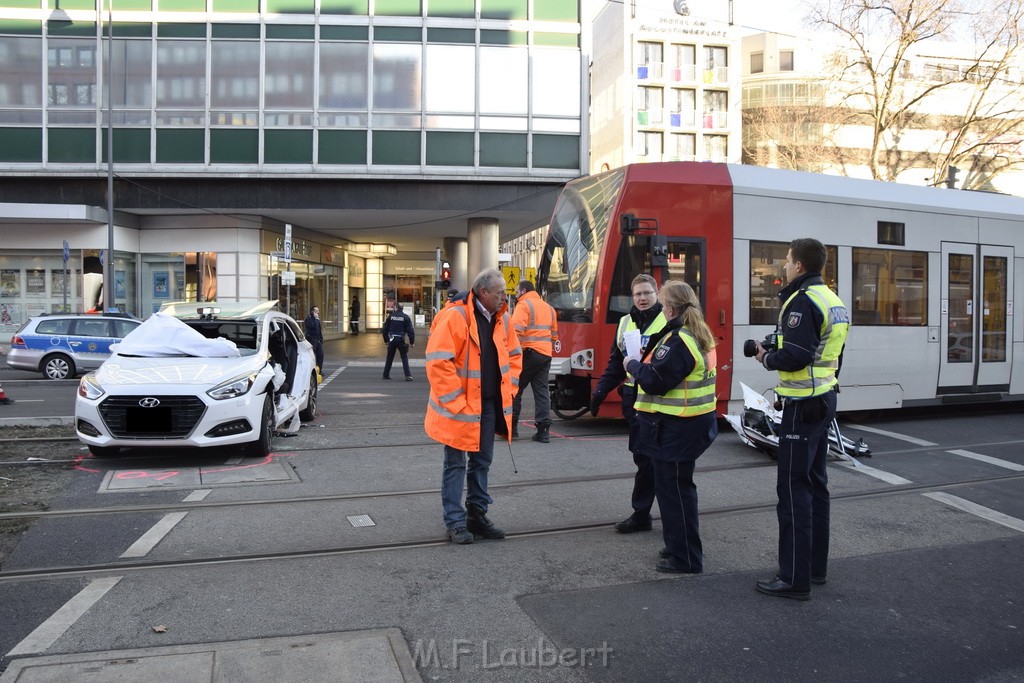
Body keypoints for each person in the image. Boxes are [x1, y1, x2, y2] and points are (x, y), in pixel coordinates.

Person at [751, 237, 849, 600]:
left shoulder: (802, 301)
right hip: (824, 398)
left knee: (793, 491)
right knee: (816, 485)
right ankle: (814, 568)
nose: (785, 265)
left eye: (788, 260)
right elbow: (829, 353)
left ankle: (794, 578)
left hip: (802, 405)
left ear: (799, 265)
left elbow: (795, 357)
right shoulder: (832, 300)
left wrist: (765, 358)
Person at [623, 281, 718, 574]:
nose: (661, 309)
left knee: (675, 492)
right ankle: (679, 545)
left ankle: (686, 557)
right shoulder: (696, 334)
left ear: (672, 308)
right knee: (676, 490)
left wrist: (632, 365)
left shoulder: (679, 340)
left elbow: (655, 381)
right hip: (690, 423)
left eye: (663, 304)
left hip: (678, 427)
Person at [424, 269, 522, 545]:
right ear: (483, 292)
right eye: (500, 291)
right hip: (461, 405)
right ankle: (455, 522)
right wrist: (457, 402)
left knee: (482, 461)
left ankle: (476, 515)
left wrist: (510, 389)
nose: (505, 295)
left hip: (489, 403)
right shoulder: (455, 316)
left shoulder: (502, 317)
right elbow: (438, 362)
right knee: (455, 463)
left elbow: (515, 355)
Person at [590, 274, 667, 533]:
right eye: (637, 294)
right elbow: (616, 363)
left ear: (657, 294)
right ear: (632, 297)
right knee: (642, 460)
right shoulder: (625, 322)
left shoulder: (668, 319)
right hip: (634, 402)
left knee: (657, 463)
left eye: (647, 293)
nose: (642, 298)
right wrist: (600, 391)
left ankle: (657, 514)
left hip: (660, 402)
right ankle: (642, 515)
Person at [510, 280, 559, 443]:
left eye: (517, 292)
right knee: (541, 392)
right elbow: (554, 336)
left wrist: (511, 354)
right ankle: (543, 431)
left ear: (523, 291)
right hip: (545, 355)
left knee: (515, 389)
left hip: (528, 353)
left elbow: (515, 332)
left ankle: (511, 429)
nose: (516, 296)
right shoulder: (549, 308)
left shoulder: (523, 306)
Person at [382, 302, 415, 381]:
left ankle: (386, 374)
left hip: (392, 339)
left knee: (389, 357)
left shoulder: (390, 317)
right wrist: (412, 342)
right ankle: (408, 375)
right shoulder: (406, 317)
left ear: (396, 308)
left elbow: (384, 330)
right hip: (401, 339)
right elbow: (410, 331)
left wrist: (386, 340)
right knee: (404, 357)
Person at [303, 305, 324, 373]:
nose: (318, 312)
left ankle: (319, 370)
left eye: (318, 311)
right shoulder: (309, 319)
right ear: (312, 312)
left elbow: (319, 329)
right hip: (312, 339)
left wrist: (321, 338)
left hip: (317, 340)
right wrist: (315, 319)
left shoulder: (317, 320)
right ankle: (310, 370)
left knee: (320, 355)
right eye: (316, 311)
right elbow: (313, 327)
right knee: (311, 355)